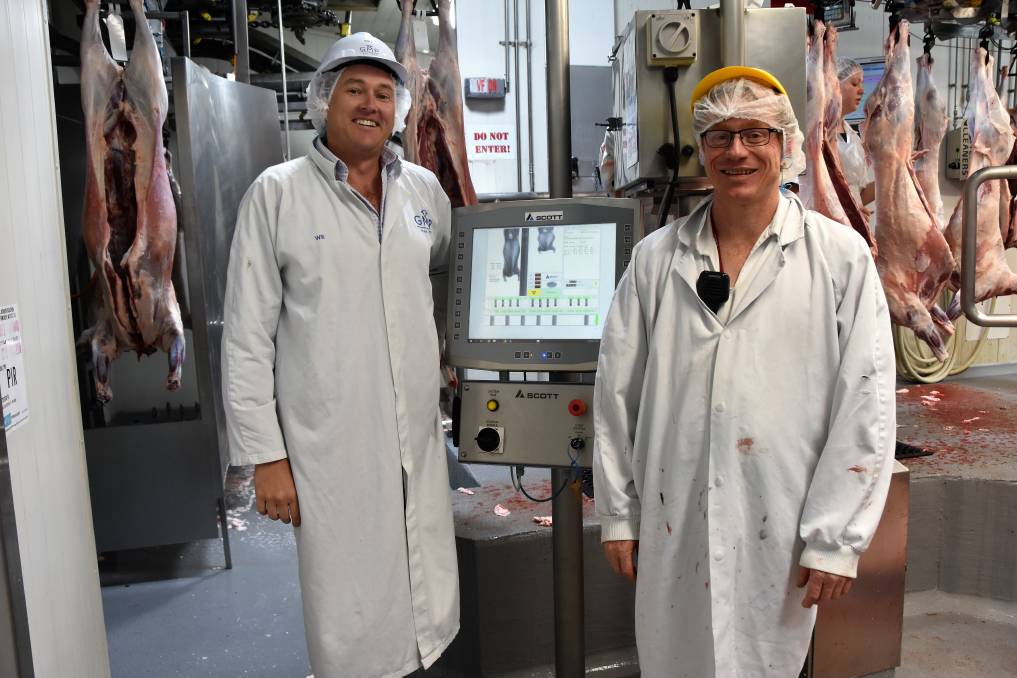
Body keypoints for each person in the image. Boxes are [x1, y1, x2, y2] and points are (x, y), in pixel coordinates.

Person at [593, 66, 896, 677]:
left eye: (755, 134)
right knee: (676, 659)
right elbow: (615, 395)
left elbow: (865, 400)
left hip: (780, 520)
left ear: (784, 147)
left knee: (766, 661)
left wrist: (836, 539)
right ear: (702, 152)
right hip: (673, 512)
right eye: (720, 136)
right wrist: (618, 515)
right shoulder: (656, 260)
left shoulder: (839, 258)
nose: (738, 151)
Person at [221, 32, 459, 678]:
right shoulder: (277, 195)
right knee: (349, 616)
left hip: (415, 435)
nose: (369, 105)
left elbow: (445, 271)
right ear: (324, 99)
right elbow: (245, 336)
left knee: (427, 605)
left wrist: (451, 347)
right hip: (329, 447)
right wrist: (265, 457)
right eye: (354, 89)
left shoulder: (422, 194)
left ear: (398, 110)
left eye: (384, 94)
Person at [836, 58, 876, 221]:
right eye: (854, 84)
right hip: (827, 225)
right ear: (834, 84)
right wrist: (849, 210)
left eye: (861, 84)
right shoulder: (817, 132)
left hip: (852, 226)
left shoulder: (852, 135)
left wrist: (894, 169)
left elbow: (858, 194)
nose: (861, 90)